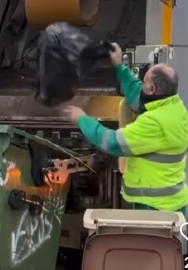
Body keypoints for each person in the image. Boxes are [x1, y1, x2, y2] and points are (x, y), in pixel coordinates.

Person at [64, 42, 188, 214]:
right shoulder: (173, 106)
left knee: (149, 242)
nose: (141, 84)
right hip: (171, 201)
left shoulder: (154, 123)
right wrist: (118, 66)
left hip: (156, 207)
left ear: (152, 89)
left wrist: (82, 119)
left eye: (144, 82)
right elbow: (138, 95)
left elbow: (113, 143)